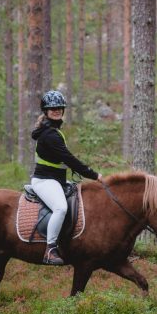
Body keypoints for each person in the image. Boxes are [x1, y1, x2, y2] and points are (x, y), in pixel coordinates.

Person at [31, 90, 102, 265]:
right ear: (46, 111)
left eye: (59, 107)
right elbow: (69, 159)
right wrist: (94, 175)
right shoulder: (49, 135)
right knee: (61, 208)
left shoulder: (53, 131)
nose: (56, 110)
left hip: (56, 180)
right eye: (52, 108)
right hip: (45, 181)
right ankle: (50, 249)